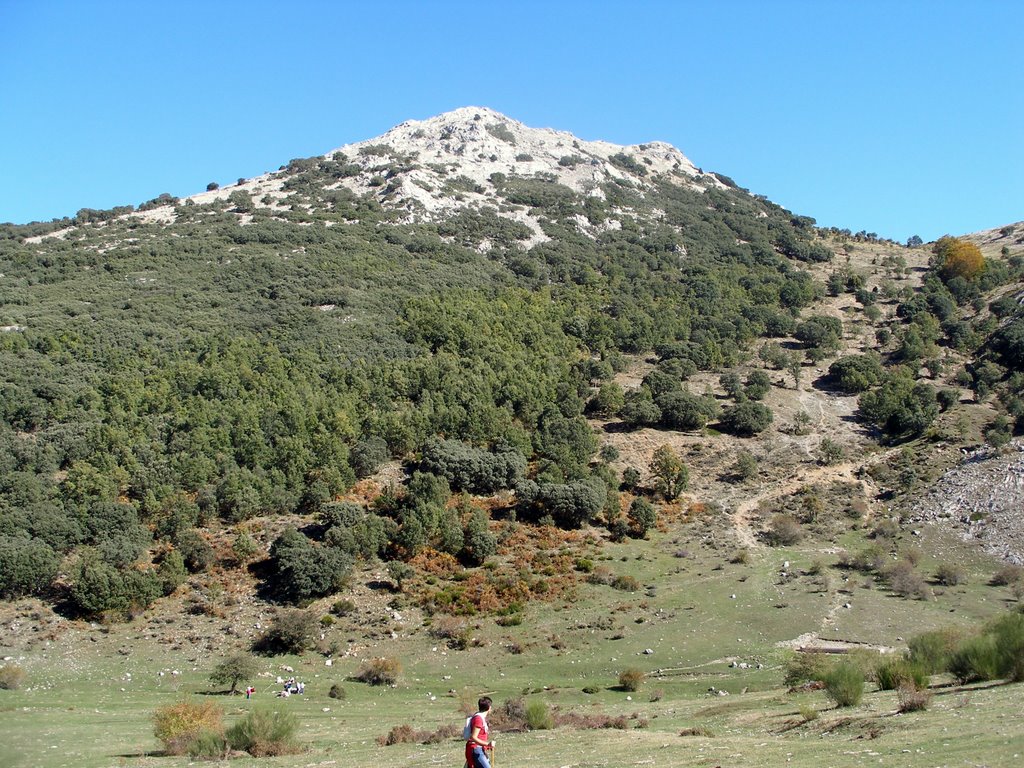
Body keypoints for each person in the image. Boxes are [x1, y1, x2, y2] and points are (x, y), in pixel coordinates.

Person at [465, 696, 494, 768]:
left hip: (479, 749)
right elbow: (473, 737)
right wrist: (488, 744)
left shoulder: (479, 717)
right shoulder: (478, 719)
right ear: (489, 707)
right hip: (476, 749)